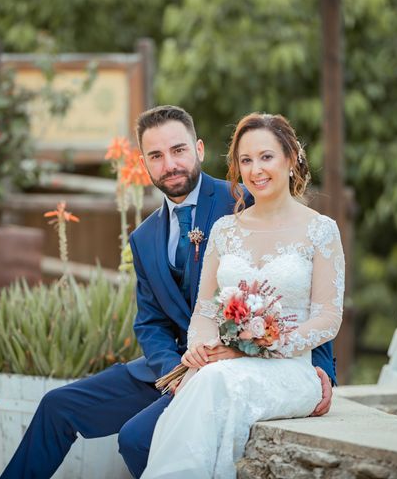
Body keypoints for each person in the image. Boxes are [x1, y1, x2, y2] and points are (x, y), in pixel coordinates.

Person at [0, 106, 336, 479]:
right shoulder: (144, 237)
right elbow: (150, 322)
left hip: (236, 367)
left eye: (178, 150)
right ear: (144, 163)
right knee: (57, 405)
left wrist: (320, 371)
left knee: (138, 439)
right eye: (156, 156)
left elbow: (296, 286)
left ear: (200, 149)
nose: (170, 164)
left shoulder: (243, 198)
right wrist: (175, 373)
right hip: (167, 370)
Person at [141, 112, 345, 479]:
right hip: (224, 367)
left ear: (290, 157)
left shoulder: (321, 230)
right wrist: (200, 348)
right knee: (206, 379)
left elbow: (328, 318)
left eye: (266, 157)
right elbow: (205, 309)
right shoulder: (224, 230)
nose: (256, 170)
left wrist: (259, 345)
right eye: (246, 160)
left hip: (291, 370)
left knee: (213, 383)